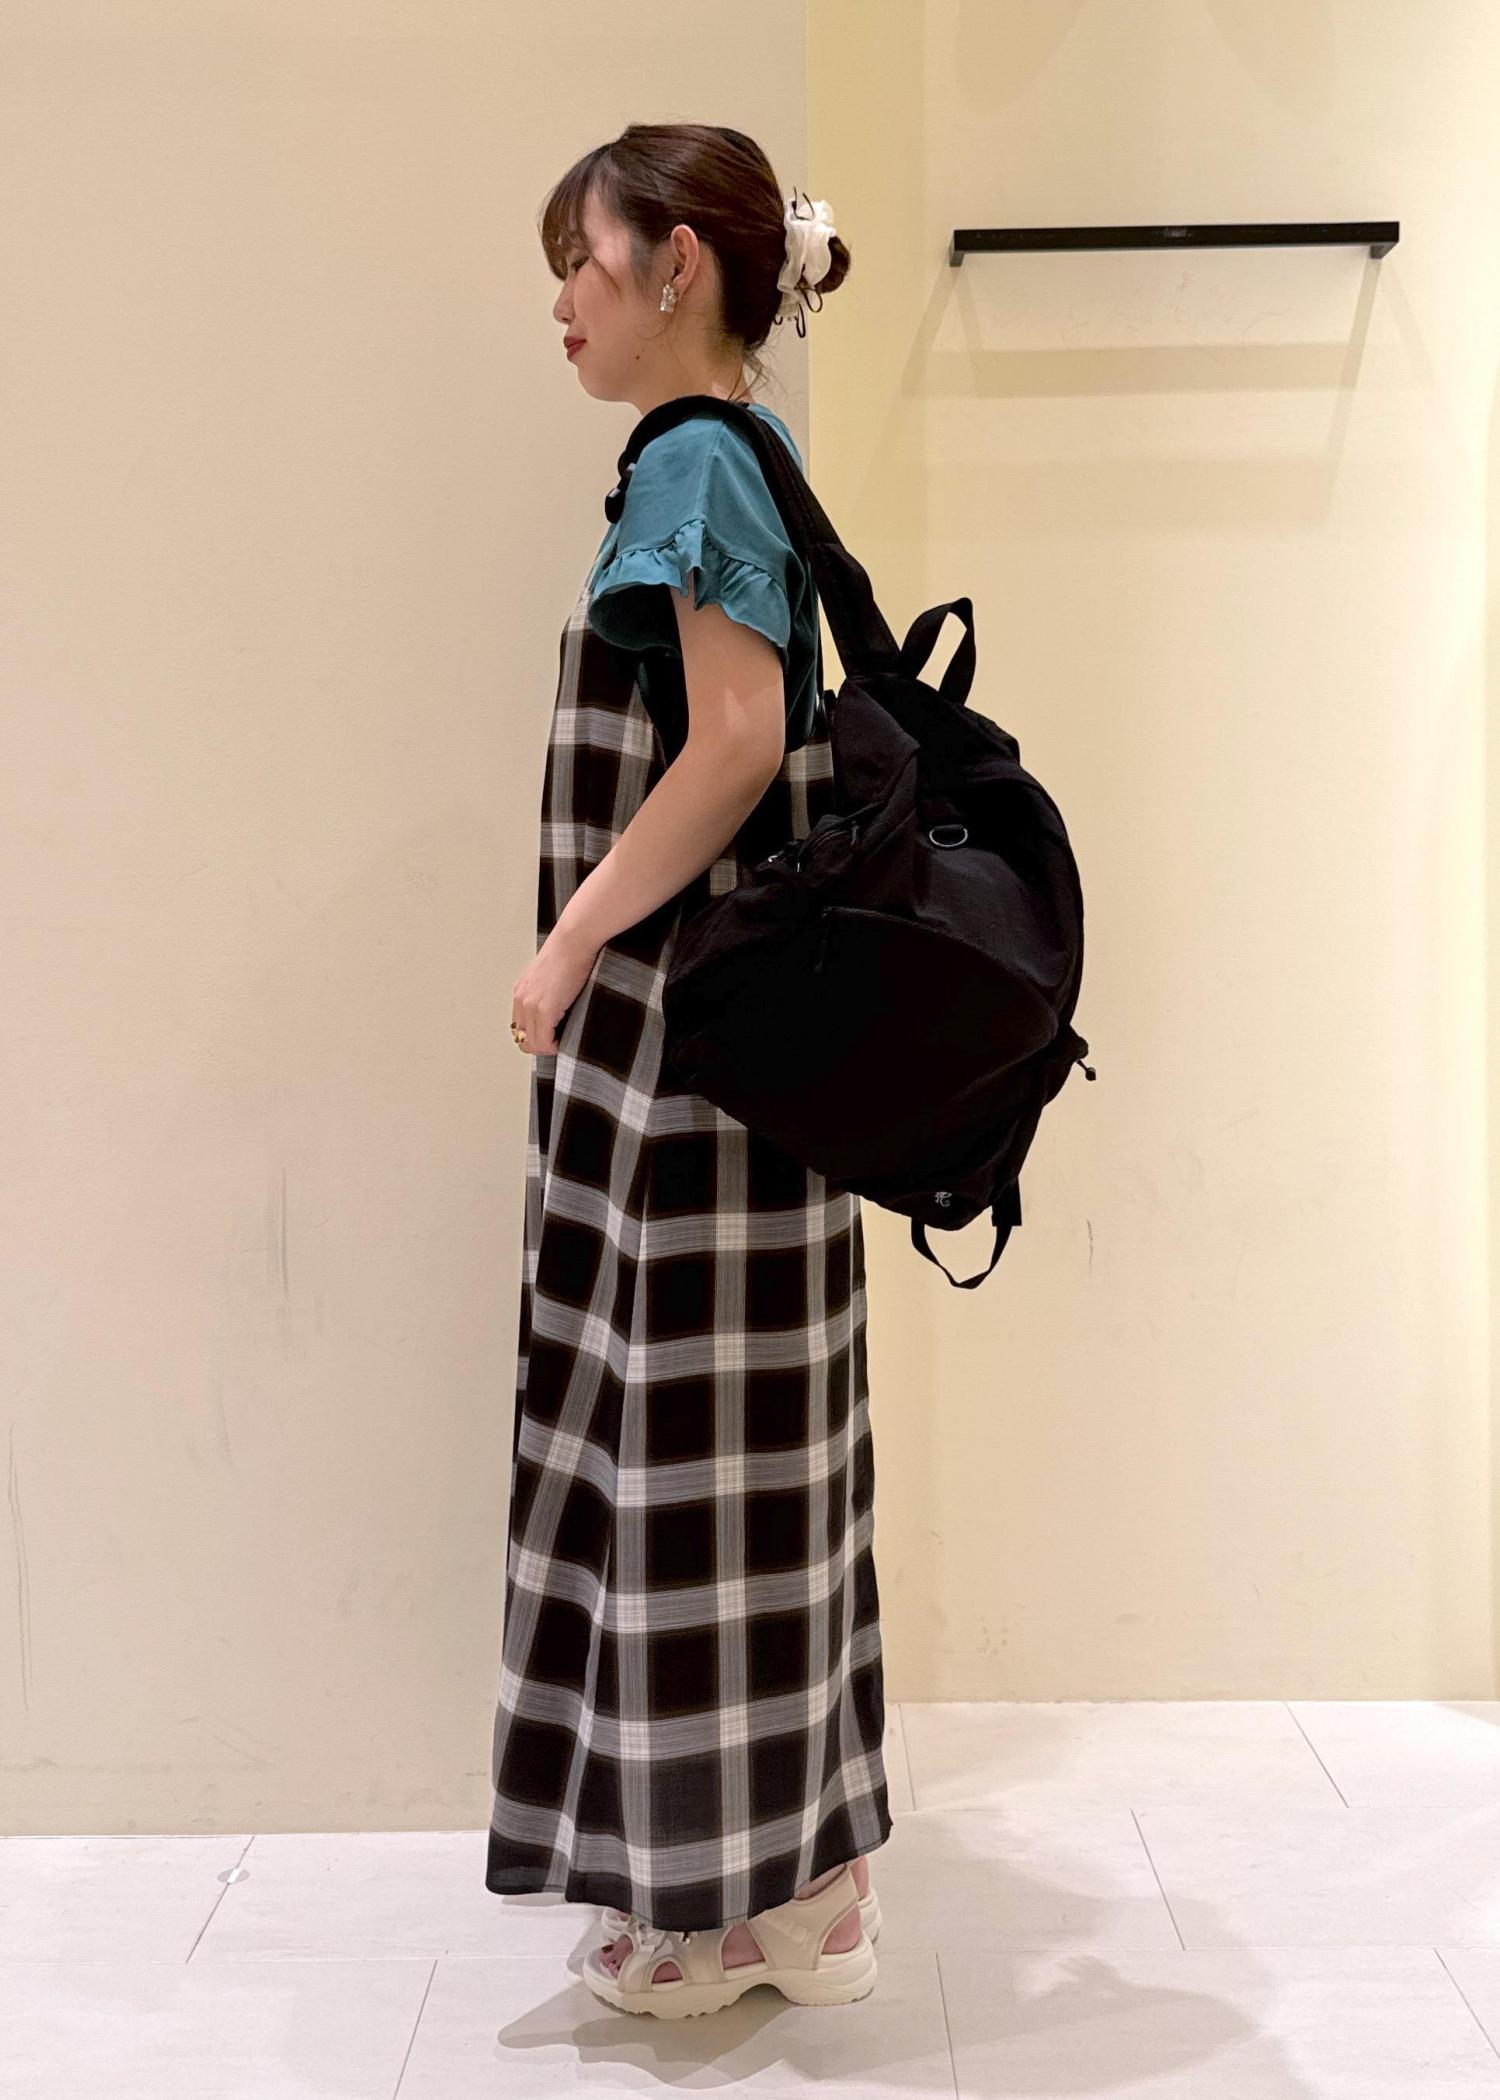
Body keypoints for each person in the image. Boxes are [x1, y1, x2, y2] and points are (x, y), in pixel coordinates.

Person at [486, 122, 892, 2021]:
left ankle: (724, 1915)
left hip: (688, 1056)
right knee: (751, 1461)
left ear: (679, 270)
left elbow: (731, 739)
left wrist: (570, 942)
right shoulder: (744, 450)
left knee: (681, 1452)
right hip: (748, 1052)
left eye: (582, 260)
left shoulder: (698, 460)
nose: (561, 301)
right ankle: (800, 1892)